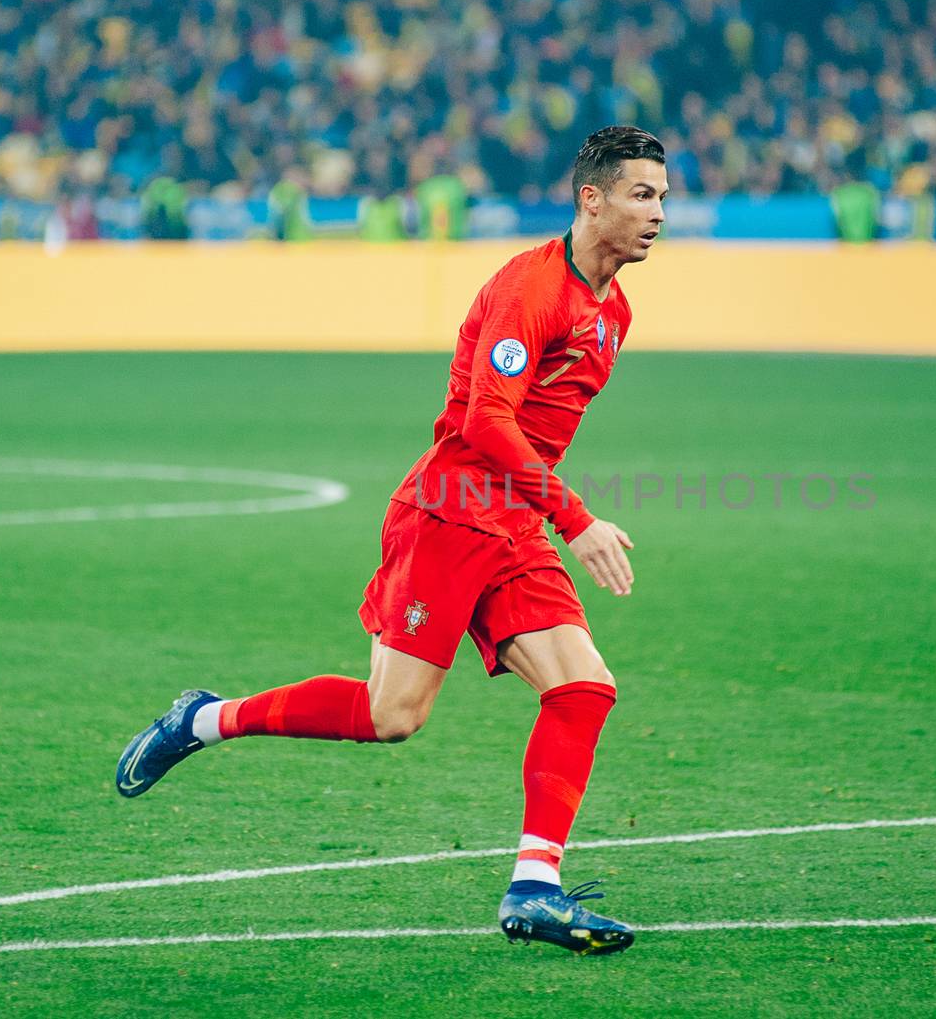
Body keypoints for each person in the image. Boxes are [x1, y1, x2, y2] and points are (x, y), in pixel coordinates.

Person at [115, 126, 669, 956]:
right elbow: (485, 421)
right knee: (392, 715)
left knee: (584, 686)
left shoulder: (614, 310)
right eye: (641, 194)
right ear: (591, 199)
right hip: (449, 512)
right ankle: (205, 719)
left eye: (662, 196)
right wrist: (576, 517)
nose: (658, 212)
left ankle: (534, 888)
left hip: (510, 519)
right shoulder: (532, 289)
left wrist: (545, 512)